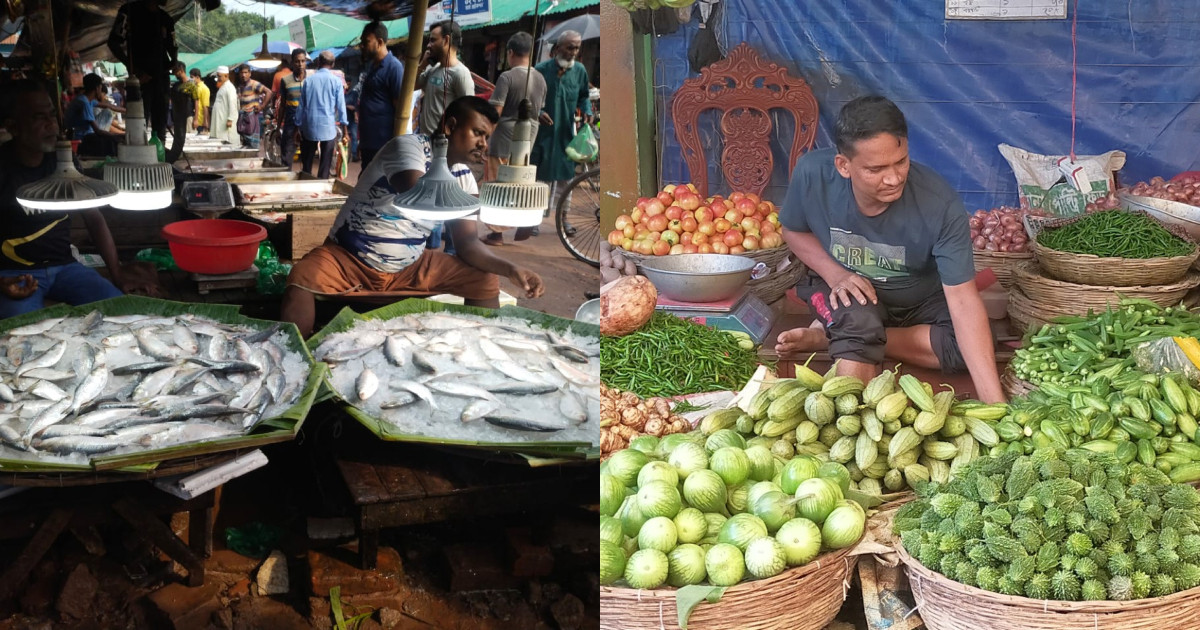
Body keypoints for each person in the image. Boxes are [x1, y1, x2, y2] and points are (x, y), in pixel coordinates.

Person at [774, 96, 1005, 403]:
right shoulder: (813, 175)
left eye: (901, 161)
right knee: (858, 321)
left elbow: (962, 298)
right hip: (842, 291)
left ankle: (829, 335)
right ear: (844, 166)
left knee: (974, 344)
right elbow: (792, 229)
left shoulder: (939, 203)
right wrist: (836, 274)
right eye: (876, 169)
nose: (894, 178)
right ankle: (849, 336)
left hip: (916, 301)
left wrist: (996, 404)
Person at [280, 96, 545, 337]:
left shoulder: (464, 178)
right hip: (348, 260)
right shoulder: (409, 147)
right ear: (451, 127)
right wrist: (487, 202)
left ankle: (480, 347)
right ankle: (299, 357)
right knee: (302, 277)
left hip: (410, 268)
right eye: (478, 133)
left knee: (485, 278)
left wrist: (511, 269)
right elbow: (416, 190)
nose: (483, 144)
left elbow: (468, 245)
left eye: (487, 137)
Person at [0, 81, 148, 317]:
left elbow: (94, 218)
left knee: (121, 312)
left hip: (66, 267)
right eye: (38, 117)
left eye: (52, 114)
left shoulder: (63, 162)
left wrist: (117, 274)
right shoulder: (3, 170)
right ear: (13, 127)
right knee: (22, 334)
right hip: (14, 273)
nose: (51, 124)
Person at [483, 32, 548, 245]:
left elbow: (497, 111)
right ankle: (524, 216)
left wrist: (484, 135)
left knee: (498, 182)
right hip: (528, 137)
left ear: (510, 52)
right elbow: (539, 110)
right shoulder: (540, 78)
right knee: (519, 181)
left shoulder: (507, 77)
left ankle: (496, 233)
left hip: (504, 137)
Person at [531, 30, 594, 236]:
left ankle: (563, 219)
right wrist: (538, 112)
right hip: (542, 134)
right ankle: (534, 220)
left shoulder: (580, 71)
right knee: (539, 178)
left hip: (567, 133)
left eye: (576, 47)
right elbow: (530, 100)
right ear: (557, 48)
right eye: (569, 47)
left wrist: (587, 111)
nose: (573, 52)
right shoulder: (540, 71)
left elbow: (584, 96)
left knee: (567, 178)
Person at [107, 0, 177, 143]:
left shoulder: (165, 18)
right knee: (138, 124)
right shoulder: (129, 11)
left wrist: (174, 62)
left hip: (161, 78)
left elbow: (173, 46)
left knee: (160, 127)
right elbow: (113, 42)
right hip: (139, 79)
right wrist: (131, 67)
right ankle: (138, 159)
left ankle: (160, 155)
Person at [356, 20, 405, 171]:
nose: (362, 46)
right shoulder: (372, 67)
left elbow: (400, 109)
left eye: (366, 41)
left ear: (380, 42)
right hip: (368, 141)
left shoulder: (394, 67)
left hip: (383, 144)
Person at [415, 20, 474, 138]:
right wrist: (422, 65)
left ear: (446, 40)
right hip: (424, 142)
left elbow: (470, 113)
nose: (428, 45)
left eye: (433, 40)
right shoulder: (432, 68)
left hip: (442, 145)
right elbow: (412, 86)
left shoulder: (460, 74)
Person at [296, 50, 348, 180]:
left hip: (309, 126)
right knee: (325, 165)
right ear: (333, 63)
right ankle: (321, 187)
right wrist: (345, 130)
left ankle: (305, 185)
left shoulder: (308, 81)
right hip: (328, 128)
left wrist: (297, 127)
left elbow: (301, 106)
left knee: (307, 165)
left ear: (318, 62)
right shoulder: (336, 82)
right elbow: (341, 107)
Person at [64, 73, 124, 156]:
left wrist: (128, 110)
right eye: (100, 87)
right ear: (97, 88)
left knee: (108, 112)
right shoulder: (84, 103)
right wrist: (117, 136)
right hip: (83, 139)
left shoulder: (86, 99)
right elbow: (98, 131)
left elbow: (109, 105)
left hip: (86, 135)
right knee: (112, 142)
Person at [273, 49, 308, 168]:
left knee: (307, 159)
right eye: (297, 61)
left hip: (307, 123)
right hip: (290, 123)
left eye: (303, 61)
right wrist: (278, 128)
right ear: (292, 63)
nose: (301, 64)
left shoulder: (312, 79)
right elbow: (282, 105)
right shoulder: (285, 81)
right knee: (286, 159)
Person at [236, 65, 272, 149]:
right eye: (241, 73)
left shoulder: (254, 84)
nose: (243, 75)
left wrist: (262, 106)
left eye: (245, 72)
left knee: (253, 144)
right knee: (245, 143)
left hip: (252, 117)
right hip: (243, 117)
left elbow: (269, 92)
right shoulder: (240, 86)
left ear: (250, 73)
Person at [209, 66, 239, 145]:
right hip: (220, 119)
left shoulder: (230, 87)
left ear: (226, 76)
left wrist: (230, 119)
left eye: (220, 76)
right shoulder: (223, 86)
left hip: (225, 120)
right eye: (217, 76)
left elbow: (232, 104)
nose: (218, 78)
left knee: (226, 140)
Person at [190, 68, 211, 133]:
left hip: (200, 121)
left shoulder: (203, 88)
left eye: (192, 77)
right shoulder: (195, 87)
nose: (191, 79)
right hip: (196, 119)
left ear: (197, 77)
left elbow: (205, 106)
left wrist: (205, 121)